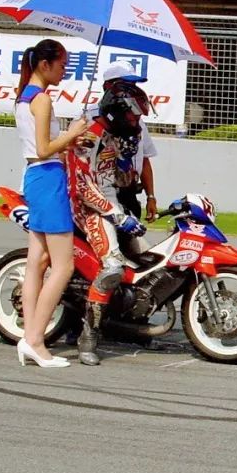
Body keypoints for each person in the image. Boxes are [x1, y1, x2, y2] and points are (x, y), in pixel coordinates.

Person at [14, 39, 87, 368]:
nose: (64, 71)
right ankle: (35, 340)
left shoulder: (25, 96)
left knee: (38, 261)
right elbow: (44, 149)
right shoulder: (41, 99)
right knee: (63, 265)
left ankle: (29, 337)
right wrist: (72, 133)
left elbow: (40, 147)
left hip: (36, 176)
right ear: (45, 65)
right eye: (62, 65)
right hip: (47, 177)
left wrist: (70, 141)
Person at [66, 78, 149, 365]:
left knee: (145, 262)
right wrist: (117, 216)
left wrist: (127, 161)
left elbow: (119, 181)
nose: (137, 122)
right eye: (133, 116)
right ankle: (88, 337)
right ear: (117, 111)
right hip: (86, 209)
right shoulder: (87, 137)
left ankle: (128, 321)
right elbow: (82, 187)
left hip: (112, 204)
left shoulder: (114, 136)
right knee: (113, 267)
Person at [103, 63, 160, 223]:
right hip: (103, 197)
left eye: (134, 84)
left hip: (129, 195)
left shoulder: (138, 122)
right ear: (109, 86)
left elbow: (144, 159)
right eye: (126, 84)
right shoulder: (92, 119)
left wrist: (150, 196)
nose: (132, 89)